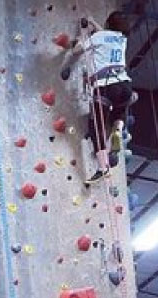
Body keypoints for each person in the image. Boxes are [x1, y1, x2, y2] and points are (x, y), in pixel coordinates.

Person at [63, 13, 133, 184]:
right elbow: (106, 37)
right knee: (119, 112)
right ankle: (117, 129)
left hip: (105, 86)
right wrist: (94, 24)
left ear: (108, 23)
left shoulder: (99, 36)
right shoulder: (121, 39)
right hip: (124, 85)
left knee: (96, 126)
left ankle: (103, 167)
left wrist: (84, 35)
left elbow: (76, 50)